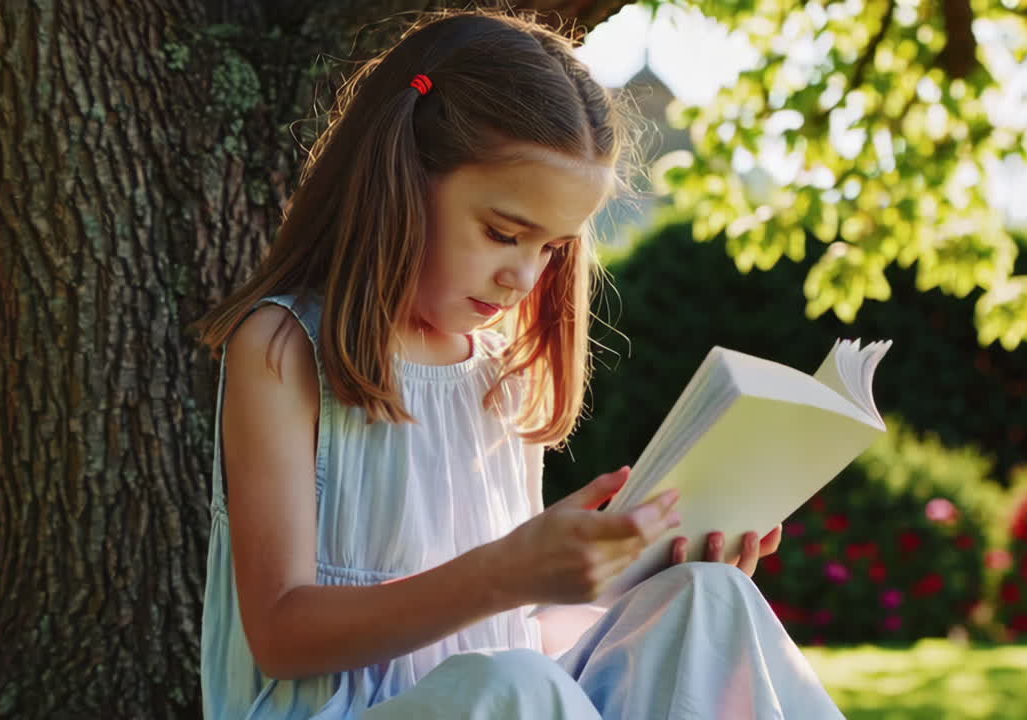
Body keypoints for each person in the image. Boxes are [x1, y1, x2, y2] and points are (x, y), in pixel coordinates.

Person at [192, 7, 844, 719]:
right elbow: (281, 637)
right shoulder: (285, 349)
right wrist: (505, 572)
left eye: (553, 248)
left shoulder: (503, 372)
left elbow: (515, 630)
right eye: (504, 233)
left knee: (708, 598)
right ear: (401, 182)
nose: (525, 278)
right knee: (515, 684)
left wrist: (629, 581)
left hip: (503, 701)